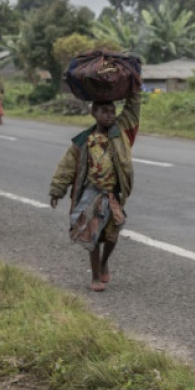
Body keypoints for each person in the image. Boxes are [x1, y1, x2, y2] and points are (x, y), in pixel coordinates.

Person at [48, 87, 141, 292]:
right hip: (92, 194)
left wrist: (135, 88)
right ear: (94, 113)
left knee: (113, 232)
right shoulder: (83, 141)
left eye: (112, 111)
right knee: (93, 235)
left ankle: (104, 262)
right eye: (105, 111)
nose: (110, 115)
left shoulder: (120, 133)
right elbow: (66, 167)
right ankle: (96, 276)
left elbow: (133, 110)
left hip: (111, 194)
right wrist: (57, 190)